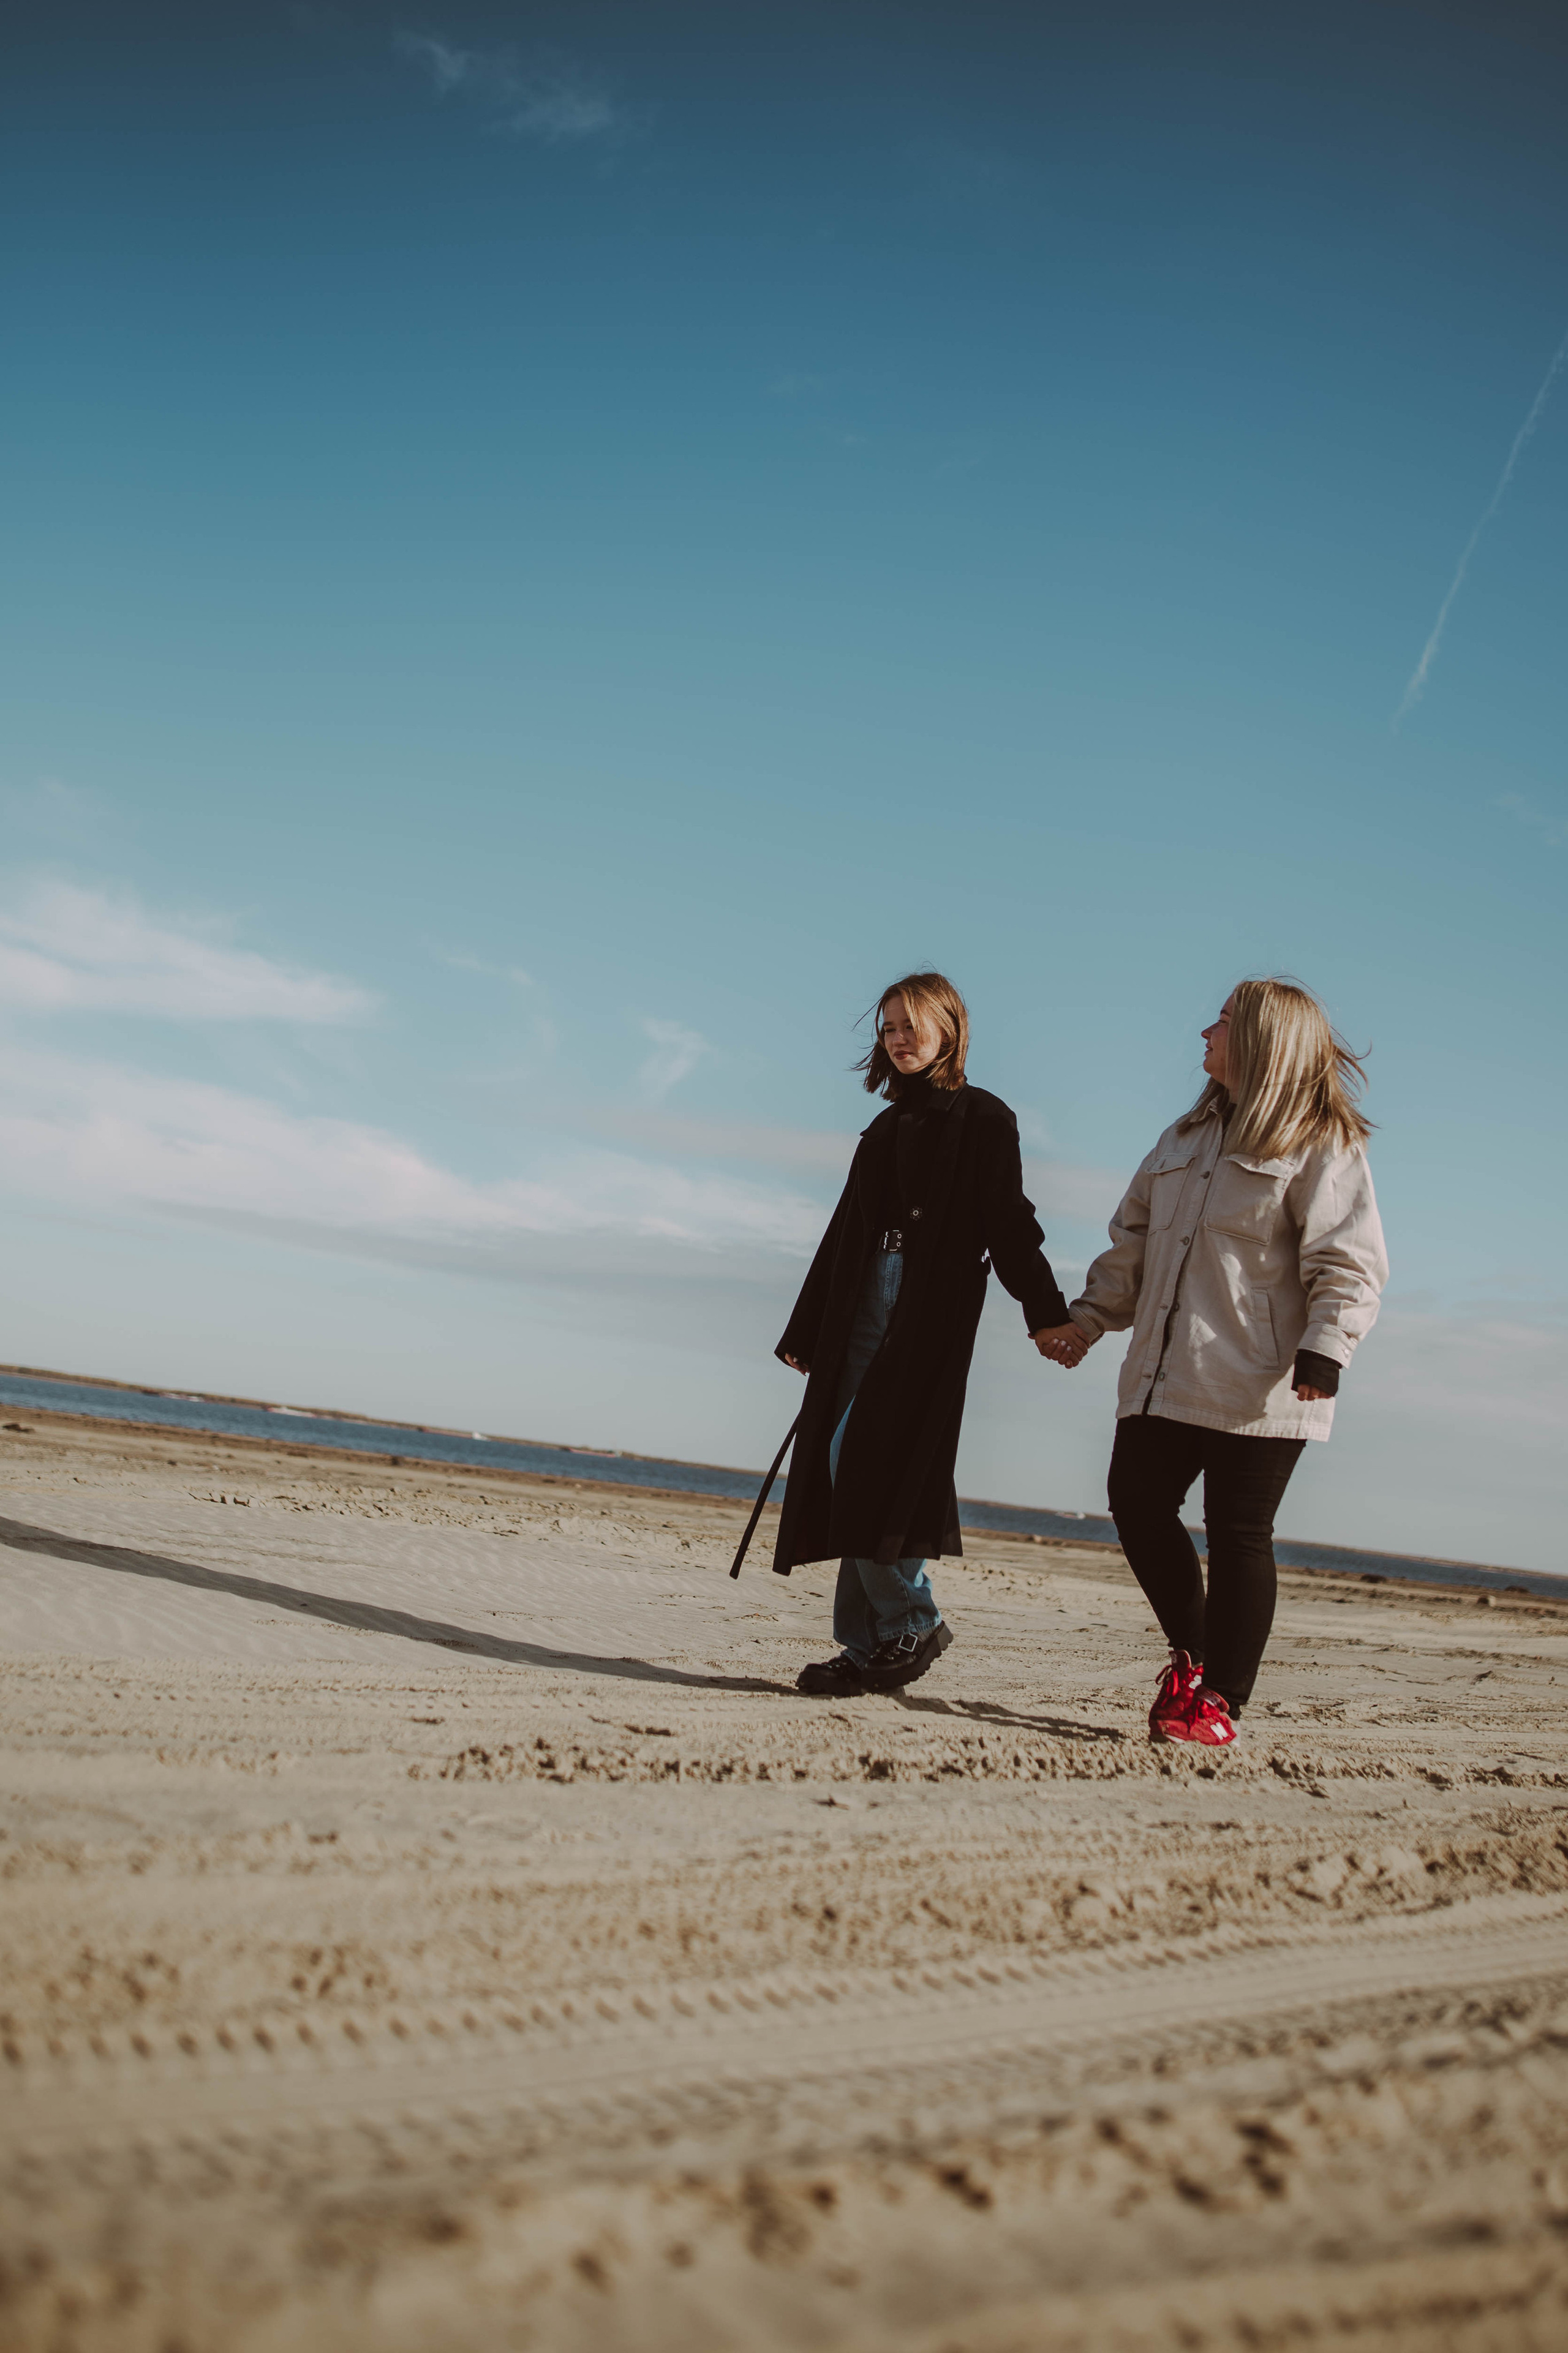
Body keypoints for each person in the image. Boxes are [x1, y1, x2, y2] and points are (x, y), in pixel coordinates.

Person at [1052, 977, 1387, 1748]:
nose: (1204, 1030)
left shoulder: (1319, 1139)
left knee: (1238, 1532)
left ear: (1265, 1041)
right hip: (1166, 1371)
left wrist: (1327, 1349)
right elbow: (1131, 1240)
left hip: (1267, 1378)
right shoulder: (1180, 1136)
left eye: (1225, 1022)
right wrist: (1090, 1319)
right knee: (1135, 1501)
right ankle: (1192, 1655)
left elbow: (1349, 1262)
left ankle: (1219, 1702)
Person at [774, 971, 1082, 1696]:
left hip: (926, 1306)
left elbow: (1009, 1223)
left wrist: (1046, 1312)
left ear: (950, 1027)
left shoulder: (983, 1118)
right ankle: (867, 1643)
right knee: (845, 1465)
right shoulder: (883, 1127)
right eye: (888, 1028)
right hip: (859, 1300)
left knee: (869, 1463)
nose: (899, 1038)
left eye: (912, 1024)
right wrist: (807, 1327)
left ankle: (912, 1617)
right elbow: (843, 1232)